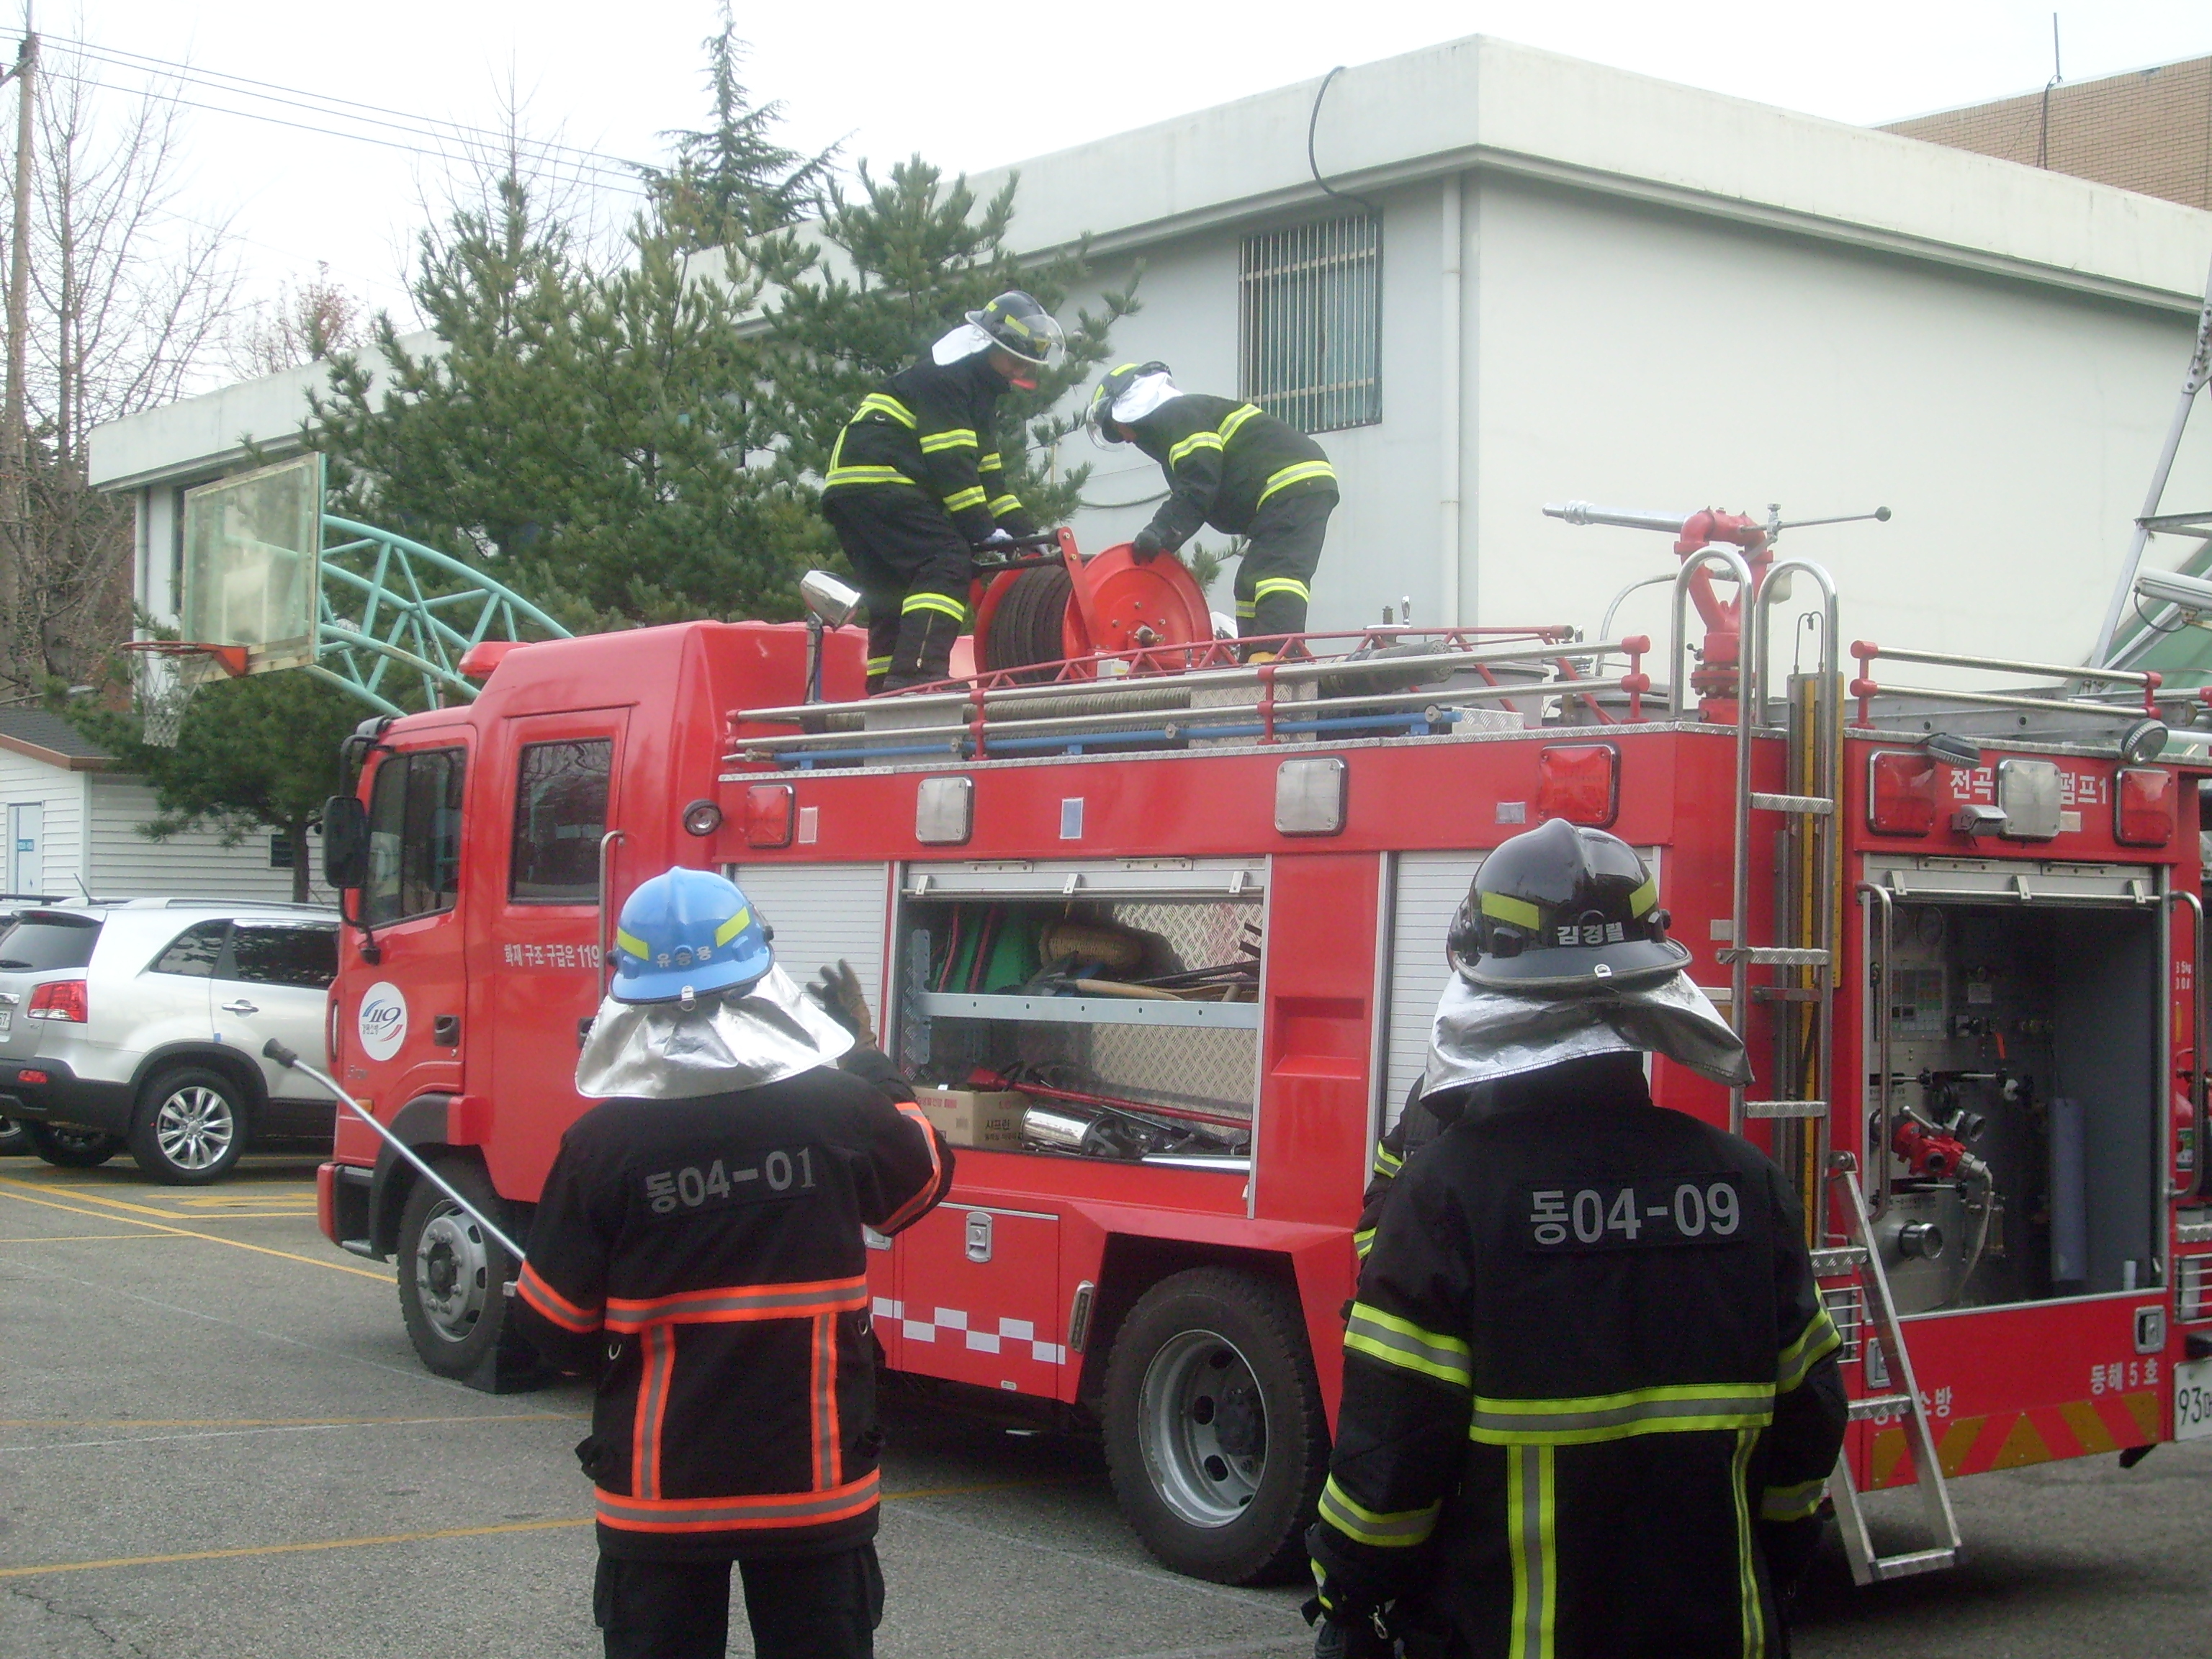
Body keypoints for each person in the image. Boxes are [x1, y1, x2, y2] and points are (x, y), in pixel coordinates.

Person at [1308, 818, 1847, 1659]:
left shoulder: (1446, 1192)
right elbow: (1809, 1419)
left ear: (1482, 975)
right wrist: (1776, 1558)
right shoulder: (1748, 1184)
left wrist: (1349, 1596)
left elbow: (1393, 1450)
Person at [511, 867, 953, 1659]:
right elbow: (921, 1180)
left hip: (661, 1500)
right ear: (759, 973)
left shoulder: (600, 1146)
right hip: (815, 1488)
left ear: (629, 989)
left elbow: (555, 1333)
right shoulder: (837, 1108)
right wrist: (861, 1056)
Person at [821, 291, 1065, 693]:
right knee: (948, 559)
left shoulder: (972, 389)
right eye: (1015, 359)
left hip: (852, 489)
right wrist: (979, 531)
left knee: (894, 589)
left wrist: (1026, 537)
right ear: (991, 343)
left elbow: (989, 481)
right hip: (884, 481)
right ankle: (919, 672)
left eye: (1026, 362)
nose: (1019, 369)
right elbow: (951, 460)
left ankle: (887, 682)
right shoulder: (951, 378)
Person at [1086, 360, 1338, 660]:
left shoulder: (1177, 415)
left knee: (1276, 573)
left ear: (1128, 408)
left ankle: (1276, 656)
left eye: (1118, 428)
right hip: (1287, 486)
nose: (1126, 438)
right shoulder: (1181, 419)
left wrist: (1159, 532)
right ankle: (1254, 655)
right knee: (1249, 582)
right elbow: (1198, 488)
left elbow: (1199, 483)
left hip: (1291, 482)